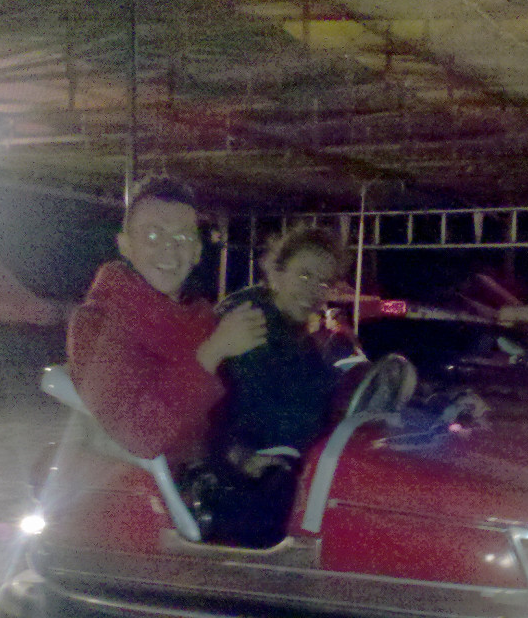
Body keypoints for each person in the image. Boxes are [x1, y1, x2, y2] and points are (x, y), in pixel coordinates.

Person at [66, 176, 267, 470]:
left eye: (182, 238)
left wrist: (241, 455)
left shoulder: (200, 320)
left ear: (197, 251)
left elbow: (213, 422)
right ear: (125, 245)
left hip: (200, 481)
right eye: (152, 235)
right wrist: (213, 351)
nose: (169, 250)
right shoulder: (96, 323)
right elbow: (140, 434)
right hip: (126, 490)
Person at [200, 224, 349, 546]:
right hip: (245, 491)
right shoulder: (247, 324)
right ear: (276, 273)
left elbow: (323, 397)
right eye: (304, 275)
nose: (314, 290)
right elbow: (209, 408)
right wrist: (239, 456)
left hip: (283, 481)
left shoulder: (300, 340)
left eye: (324, 282)